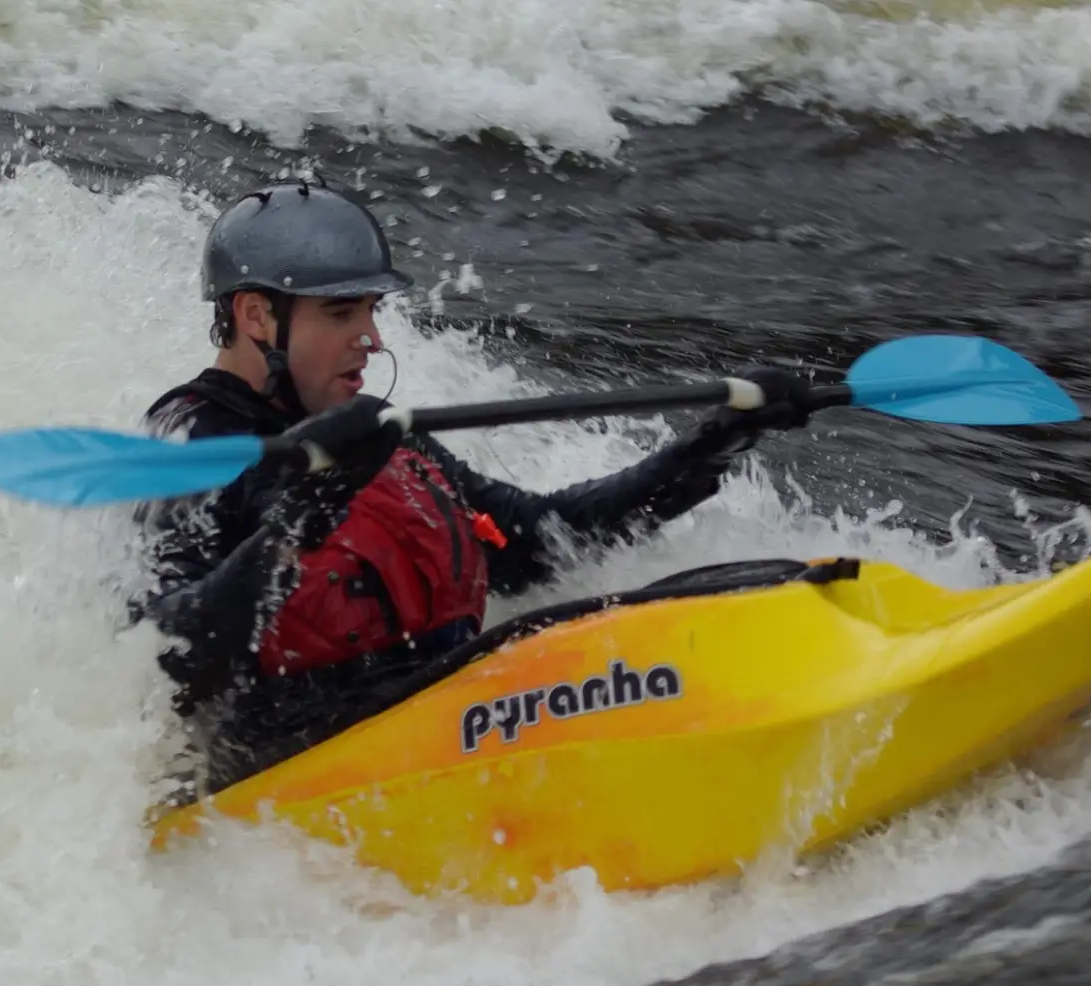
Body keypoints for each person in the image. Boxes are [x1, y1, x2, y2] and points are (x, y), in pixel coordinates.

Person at [135, 181, 815, 793]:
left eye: (371, 312)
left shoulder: (372, 440)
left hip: (429, 724)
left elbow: (541, 543)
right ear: (256, 317)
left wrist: (715, 444)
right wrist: (306, 517)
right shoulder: (190, 444)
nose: (371, 338)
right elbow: (162, 660)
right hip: (292, 777)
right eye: (342, 314)